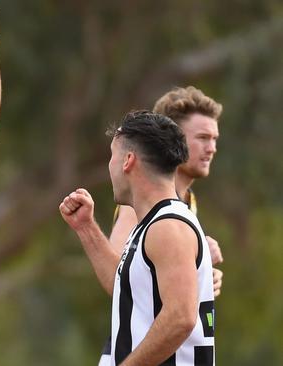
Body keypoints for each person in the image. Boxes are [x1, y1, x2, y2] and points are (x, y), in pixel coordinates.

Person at [60, 111, 216, 365]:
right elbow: (124, 286)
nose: (109, 166)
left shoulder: (169, 225)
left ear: (128, 160)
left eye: (112, 156)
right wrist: (86, 228)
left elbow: (180, 318)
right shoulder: (153, 223)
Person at [99, 86, 224, 365]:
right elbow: (121, 280)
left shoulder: (171, 215)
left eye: (215, 138)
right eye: (202, 137)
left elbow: (180, 315)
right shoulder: (141, 207)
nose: (212, 147)